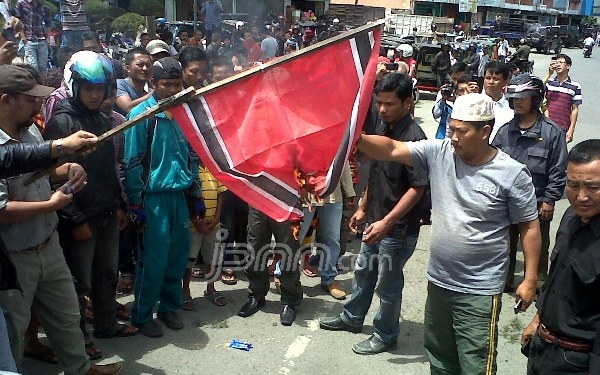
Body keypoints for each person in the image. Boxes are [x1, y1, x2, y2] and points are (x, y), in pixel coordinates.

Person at [357, 93, 541, 374]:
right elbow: (392, 149)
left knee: (475, 364)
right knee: (440, 359)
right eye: (452, 129)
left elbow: (529, 227)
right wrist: (353, 138)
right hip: (439, 282)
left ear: (485, 132)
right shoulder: (439, 151)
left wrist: (529, 280)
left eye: (461, 131)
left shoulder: (512, 174)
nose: (453, 136)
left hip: (479, 290)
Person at [0, 64, 122, 375]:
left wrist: (64, 170)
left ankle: (80, 369)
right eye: (30, 99)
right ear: (6, 100)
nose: (38, 104)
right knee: (13, 328)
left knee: (66, 314)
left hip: (47, 242)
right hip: (14, 256)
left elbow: (34, 175)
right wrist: (51, 205)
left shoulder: (29, 130)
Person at [320, 73, 428, 355]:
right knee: (363, 273)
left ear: (408, 102)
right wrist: (365, 207)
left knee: (388, 285)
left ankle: (386, 334)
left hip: (398, 228)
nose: (382, 109)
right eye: (379, 103)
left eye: (389, 104)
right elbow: (376, 173)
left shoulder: (414, 139)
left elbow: (418, 189)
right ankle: (352, 317)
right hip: (375, 220)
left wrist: (386, 222)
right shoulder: (383, 126)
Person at [44, 52, 138, 356]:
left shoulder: (102, 118)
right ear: (75, 87)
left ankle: (107, 324)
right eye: (90, 89)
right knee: (78, 282)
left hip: (107, 210)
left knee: (107, 273)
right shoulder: (62, 122)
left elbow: (109, 168)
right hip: (80, 217)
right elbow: (55, 178)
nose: (96, 95)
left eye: (101, 89)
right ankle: (79, 340)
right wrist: (75, 220)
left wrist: (119, 204)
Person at [124, 57, 201, 338]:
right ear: (153, 84)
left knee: (177, 256)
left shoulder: (183, 113)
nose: (171, 90)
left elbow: (192, 156)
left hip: (178, 196)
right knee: (152, 261)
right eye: (165, 85)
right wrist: (135, 203)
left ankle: (169, 307)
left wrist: (195, 193)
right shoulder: (142, 117)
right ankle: (143, 314)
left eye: (176, 84)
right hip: (152, 199)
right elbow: (132, 162)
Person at [521, 139, 600, 375]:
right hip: (542, 349)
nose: (581, 196)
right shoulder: (570, 217)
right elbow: (557, 280)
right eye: (573, 185)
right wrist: (538, 320)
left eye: (593, 186)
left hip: (578, 362)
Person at [492, 73, 568, 292]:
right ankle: (502, 282)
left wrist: (550, 200)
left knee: (537, 248)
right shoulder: (505, 131)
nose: (517, 102)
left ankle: (538, 286)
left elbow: (558, 169)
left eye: (523, 97)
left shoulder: (552, 133)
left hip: (537, 203)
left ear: (535, 99)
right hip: (506, 203)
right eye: (515, 97)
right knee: (504, 245)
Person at [543, 54, 581, 143]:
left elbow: (575, 109)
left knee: (558, 155)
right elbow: (536, 89)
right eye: (556, 62)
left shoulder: (575, 86)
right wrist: (548, 74)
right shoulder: (549, 82)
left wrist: (571, 130)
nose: (558, 65)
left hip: (562, 127)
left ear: (568, 66)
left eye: (561, 62)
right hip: (546, 124)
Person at [14, 0, 51, 82]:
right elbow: (18, 21)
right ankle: (34, 87)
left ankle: (42, 87)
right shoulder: (21, 3)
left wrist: (48, 37)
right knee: (33, 67)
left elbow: (48, 22)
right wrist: (23, 38)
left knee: (43, 67)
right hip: (29, 40)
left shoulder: (44, 6)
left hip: (41, 40)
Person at [433, 73, 478, 139]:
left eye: (468, 90)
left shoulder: (477, 105)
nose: (465, 93)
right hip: (443, 140)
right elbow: (436, 114)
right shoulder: (449, 103)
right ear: (455, 92)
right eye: (461, 91)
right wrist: (443, 100)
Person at [115, 47, 153, 116]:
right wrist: (154, 95)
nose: (145, 68)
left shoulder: (152, 85)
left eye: (148, 65)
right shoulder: (119, 84)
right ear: (128, 68)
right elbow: (128, 108)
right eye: (140, 65)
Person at [483, 60, 513, 141]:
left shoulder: (511, 108)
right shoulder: (473, 102)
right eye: (488, 78)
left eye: (496, 79)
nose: (491, 82)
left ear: (505, 82)